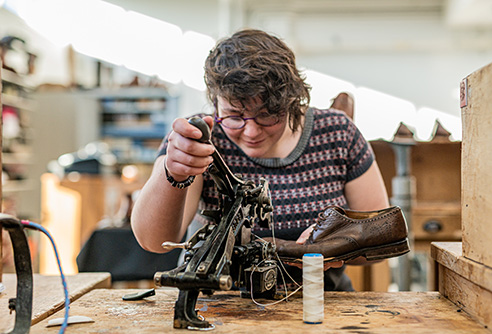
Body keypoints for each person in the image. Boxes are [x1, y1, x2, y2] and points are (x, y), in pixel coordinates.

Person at [131, 28, 389, 291]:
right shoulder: (198, 140)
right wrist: (174, 171)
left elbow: (380, 237)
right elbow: (155, 240)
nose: (251, 132)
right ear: (215, 103)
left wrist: (338, 243)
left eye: (267, 115)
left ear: (292, 101)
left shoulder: (338, 134)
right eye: (234, 116)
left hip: (321, 303)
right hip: (218, 308)